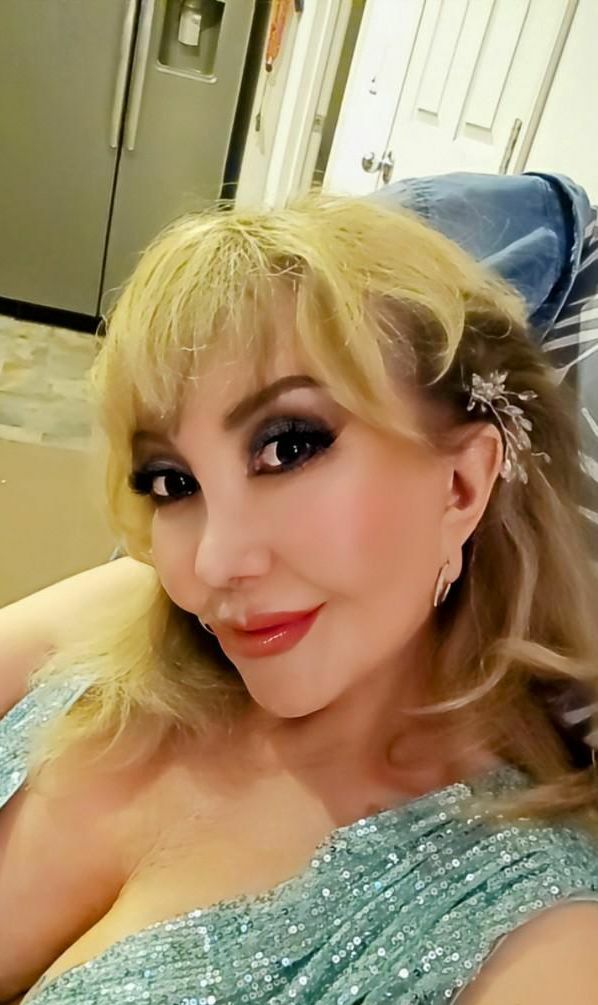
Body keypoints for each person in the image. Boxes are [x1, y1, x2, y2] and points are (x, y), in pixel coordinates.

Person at [2, 191, 598, 1005]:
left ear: (461, 484)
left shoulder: (539, 936)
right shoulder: (130, 612)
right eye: (173, 481)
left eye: (288, 447)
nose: (216, 561)